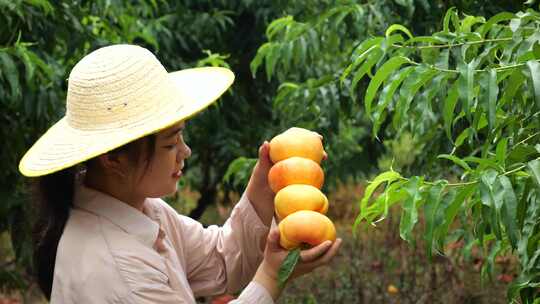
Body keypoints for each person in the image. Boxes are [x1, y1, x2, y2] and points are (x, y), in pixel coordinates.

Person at [19, 44, 342, 303]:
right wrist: (271, 277)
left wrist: (268, 181)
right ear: (112, 159)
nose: (185, 152)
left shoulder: (139, 208)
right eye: (171, 143)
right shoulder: (118, 271)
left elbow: (219, 259)